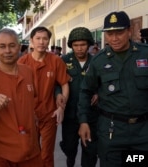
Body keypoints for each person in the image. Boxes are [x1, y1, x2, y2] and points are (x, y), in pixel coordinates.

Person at [78, 11, 148, 167]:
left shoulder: (145, 53)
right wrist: (83, 121)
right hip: (112, 133)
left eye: (119, 33)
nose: (114, 38)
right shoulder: (98, 60)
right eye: (109, 34)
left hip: (143, 133)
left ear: (130, 31)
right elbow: (85, 91)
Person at [0, 28, 43, 167]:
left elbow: (31, 102)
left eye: (12, 45)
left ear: (19, 47)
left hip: (30, 147)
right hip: (1, 151)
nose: (7, 51)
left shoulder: (28, 72)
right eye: (2, 46)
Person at [18, 26, 70, 167]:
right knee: (28, 153)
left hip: (49, 114)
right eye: (38, 38)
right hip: (28, 116)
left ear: (49, 41)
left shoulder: (56, 61)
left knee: (47, 154)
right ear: (31, 41)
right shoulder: (22, 63)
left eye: (45, 39)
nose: (41, 42)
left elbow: (64, 84)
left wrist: (61, 107)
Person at [56, 27, 98, 167]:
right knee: (69, 147)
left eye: (83, 45)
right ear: (71, 46)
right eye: (75, 45)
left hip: (90, 114)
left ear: (89, 44)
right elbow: (57, 83)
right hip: (70, 114)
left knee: (90, 149)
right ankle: (70, 162)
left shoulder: (96, 61)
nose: (79, 49)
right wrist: (58, 95)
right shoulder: (64, 60)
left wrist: (99, 94)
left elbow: (105, 82)